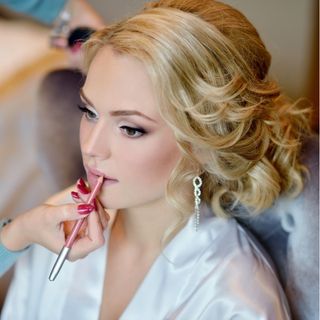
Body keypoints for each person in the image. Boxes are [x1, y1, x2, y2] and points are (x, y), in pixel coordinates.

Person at [0, 0, 312, 319]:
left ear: (205, 142)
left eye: (130, 129)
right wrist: (16, 236)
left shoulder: (234, 300)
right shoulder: (52, 231)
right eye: (89, 112)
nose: (92, 147)